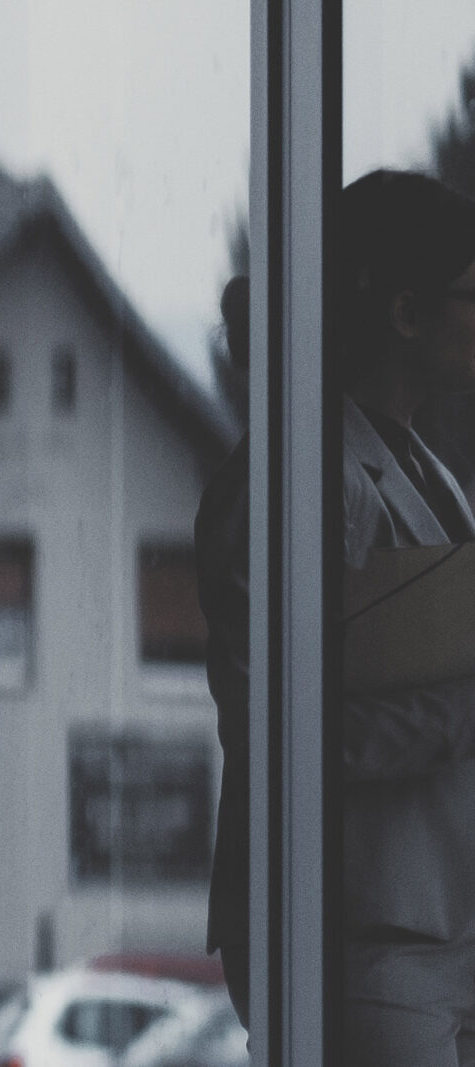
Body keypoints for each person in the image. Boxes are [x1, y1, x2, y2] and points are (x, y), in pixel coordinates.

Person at [200, 168, 475, 1063]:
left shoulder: (424, 468)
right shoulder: (300, 476)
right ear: (405, 312)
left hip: (430, 930)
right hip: (364, 940)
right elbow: (282, 728)